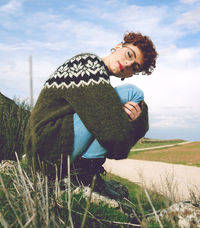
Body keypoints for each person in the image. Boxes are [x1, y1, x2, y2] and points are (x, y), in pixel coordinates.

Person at [25, 31, 158, 198]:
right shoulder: (87, 64)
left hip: (51, 150)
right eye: (129, 54)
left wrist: (133, 120)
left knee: (115, 106)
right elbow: (115, 141)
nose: (128, 63)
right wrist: (131, 123)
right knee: (132, 93)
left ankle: (85, 172)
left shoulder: (101, 82)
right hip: (47, 149)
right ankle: (85, 175)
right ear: (118, 47)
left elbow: (115, 146)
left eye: (134, 67)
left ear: (130, 74)